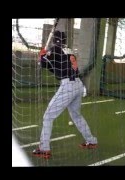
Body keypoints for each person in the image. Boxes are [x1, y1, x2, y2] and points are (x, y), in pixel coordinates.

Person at [32, 31, 97, 159]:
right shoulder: (68, 50)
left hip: (68, 86)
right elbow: (54, 66)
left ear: (54, 40)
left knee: (48, 117)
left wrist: (41, 58)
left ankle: (44, 149)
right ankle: (92, 141)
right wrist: (44, 57)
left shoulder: (55, 49)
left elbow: (44, 64)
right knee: (76, 115)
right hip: (78, 84)